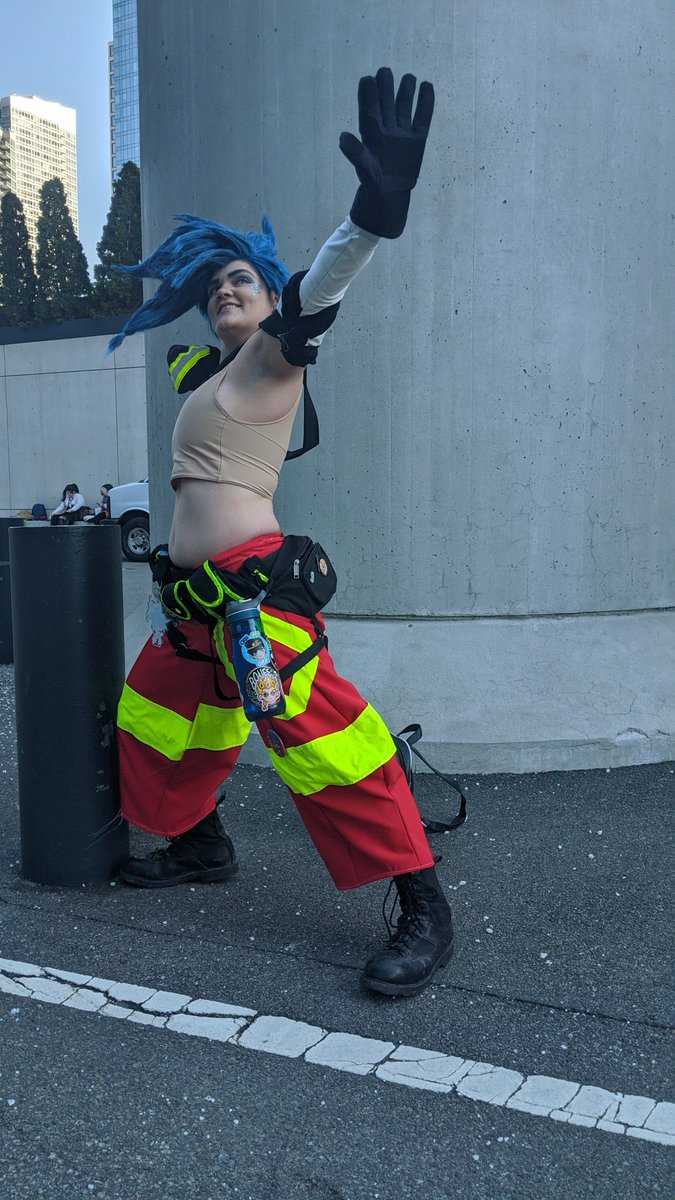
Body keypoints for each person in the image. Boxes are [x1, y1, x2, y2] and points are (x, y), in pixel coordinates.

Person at [110, 68, 453, 998]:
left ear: (269, 305)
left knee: (324, 743)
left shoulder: (270, 361)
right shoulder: (209, 374)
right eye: (215, 282)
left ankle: (423, 905)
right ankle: (200, 844)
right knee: (156, 718)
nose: (227, 288)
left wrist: (369, 221)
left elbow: (315, 294)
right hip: (191, 603)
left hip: (255, 593)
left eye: (245, 280)